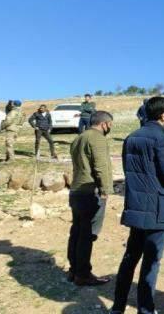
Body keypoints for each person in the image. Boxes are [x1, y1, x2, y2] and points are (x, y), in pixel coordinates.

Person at [111, 96, 164, 314]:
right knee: (151, 263)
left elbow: (129, 171)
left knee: (130, 259)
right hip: (158, 210)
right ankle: (146, 309)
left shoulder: (131, 137)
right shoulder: (161, 138)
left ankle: (118, 307)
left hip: (136, 206)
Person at [67, 110, 114, 286]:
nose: (110, 128)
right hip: (89, 191)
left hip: (76, 190)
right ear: (104, 124)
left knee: (77, 232)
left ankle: (74, 270)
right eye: (110, 125)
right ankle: (83, 274)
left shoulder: (79, 137)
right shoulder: (97, 138)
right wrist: (105, 189)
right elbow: (100, 165)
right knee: (87, 235)